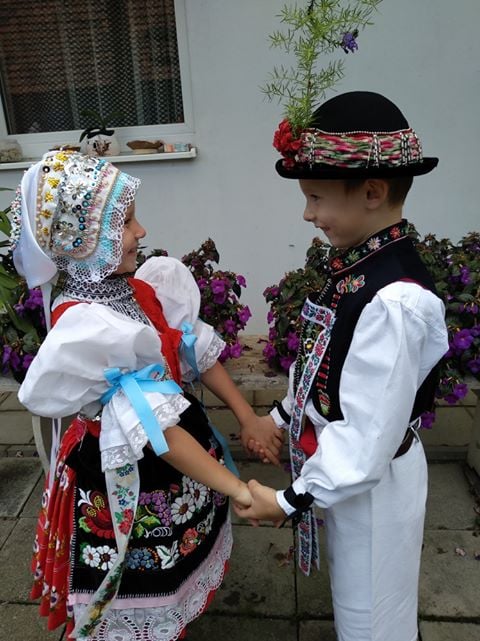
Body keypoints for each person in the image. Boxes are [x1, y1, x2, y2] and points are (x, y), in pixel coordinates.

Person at [11, 150, 281, 641]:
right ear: (84, 242)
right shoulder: (88, 327)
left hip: (176, 457)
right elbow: (156, 430)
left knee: (175, 569)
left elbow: (187, 349)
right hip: (128, 472)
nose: (142, 231)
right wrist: (242, 490)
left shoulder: (138, 290)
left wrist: (247, 416)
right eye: (126, 222)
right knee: (139, 587)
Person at [235, 91, 449, 641]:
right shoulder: (358, 266)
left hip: (371, 483)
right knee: (356, 595)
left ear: (372, 192)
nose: (308, 214)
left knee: (371, 616)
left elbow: (368, 432)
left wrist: (287, 500)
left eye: (315, 197)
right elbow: (326, 364)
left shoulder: (395, 299)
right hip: (349, 477)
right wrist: (281, 418)